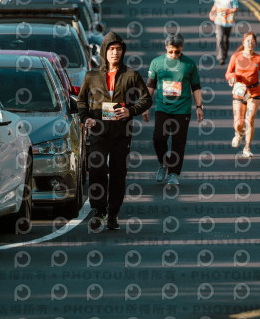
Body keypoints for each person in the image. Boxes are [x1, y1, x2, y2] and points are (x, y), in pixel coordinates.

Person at [78, 31, 152, 230]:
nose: (115, 53)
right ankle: (99, 210)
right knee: (97, 170)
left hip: (121, 133)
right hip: (98, 132)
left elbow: (146, 99)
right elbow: (81, 101)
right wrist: (86, 119)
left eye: (119, 49)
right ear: (105, 51)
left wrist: (130, 111)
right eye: (111, 49)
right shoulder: (92, 76)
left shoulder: (131, 75)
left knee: (118, 174)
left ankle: (113, 214)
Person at [142, 33, 204, 185]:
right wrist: (145, 106)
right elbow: (150, 86)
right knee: (158, 139)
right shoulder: (157, 63)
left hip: (182, 110)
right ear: (166, 47)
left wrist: (199, 106)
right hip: (162, 108)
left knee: (178, 143)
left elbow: (196, 86)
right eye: (171, 51)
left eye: (177, 52)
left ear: (182, 48)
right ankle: (163, 163)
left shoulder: (189, 64)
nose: (174, 55)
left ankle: (173, 173)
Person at [225, 31, 260, 158]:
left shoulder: (259, 59)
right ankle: (238, 133)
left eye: (252, 41)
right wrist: (232, 77)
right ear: (243, 42)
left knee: (250, 119)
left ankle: (247, 148)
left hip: (254, 91)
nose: (250, 43)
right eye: (248, 41)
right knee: (238, 123)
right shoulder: (236, 57)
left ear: (255, 43)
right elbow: (228, 72)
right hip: (239, 91)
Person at [209, 0, 239, 65]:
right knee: (220, 37)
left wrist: (229, 11)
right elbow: (215, 6)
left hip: (229, 21)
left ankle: (224, 54)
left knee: (226, 39)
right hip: (219, 20)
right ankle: (220, 57)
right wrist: (211, 13)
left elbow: (236, 8)